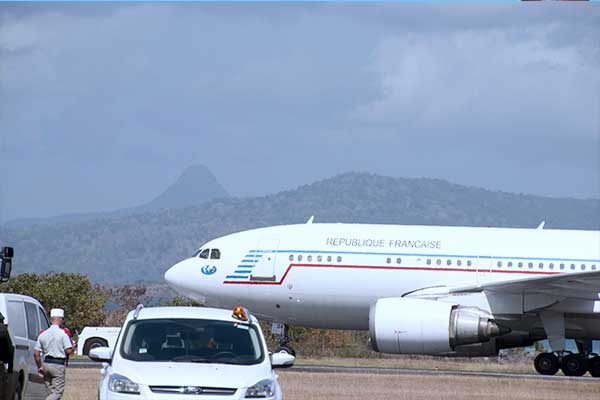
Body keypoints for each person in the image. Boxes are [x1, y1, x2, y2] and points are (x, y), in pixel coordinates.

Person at [34, 308, 74, 400]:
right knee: (58, 393)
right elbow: (69, 351)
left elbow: (36, 353)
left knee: (51, 391)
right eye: (62, 319)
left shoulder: (43, 334)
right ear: (60, 319)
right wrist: (73, 347)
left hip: (46, 363)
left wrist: (39, 366)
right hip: (58, 364)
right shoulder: (63, 334)